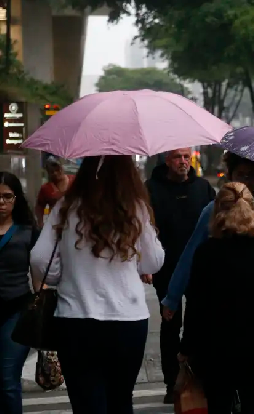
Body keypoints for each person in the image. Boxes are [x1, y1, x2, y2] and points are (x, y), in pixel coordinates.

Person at [30, 156, 165, 414]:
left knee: (86, 403)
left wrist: (63, 276)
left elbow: (39, 258)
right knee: (121, 399)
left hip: (76, 317)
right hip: (128, 319)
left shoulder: (66, 207)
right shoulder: (136, 208)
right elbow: (153, 262)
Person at [180, 182, 254, 413]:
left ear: (218, 211)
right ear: (253, 210)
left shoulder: (207, 253)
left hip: (216, 350)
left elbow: (195, 306)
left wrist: (186, 347)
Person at [160, 154, 254, 319]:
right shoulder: (214, 210)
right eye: (240, 175)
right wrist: (173, 296)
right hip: (222, 298)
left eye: (250, 175)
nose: (245, 181)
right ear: (230, 176)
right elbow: (191, 252)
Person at [145, 147, 216, 402]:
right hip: (166, 267)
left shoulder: (203, 188)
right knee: (169, 325)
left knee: (199, 325)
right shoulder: (151, 188)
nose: (183, 162)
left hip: (200, 269)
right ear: (167, 160)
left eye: (186, 157)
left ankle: (198, 378)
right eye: (178, 157)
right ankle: (171, 382)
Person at [0, 172, 40, 414]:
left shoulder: (27, 231)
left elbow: (38, 276)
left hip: (16, 312)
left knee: (6, 380)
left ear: (16, 199)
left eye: (7, 196)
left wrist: (44, 310)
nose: (1, 202)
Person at [35, 158, 75, 226]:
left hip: (73, 220)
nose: (55, 173)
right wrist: (40, 221)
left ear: (62, 168)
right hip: (54, 223)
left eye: (57, 170)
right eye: (51, 171)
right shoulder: (45, 188)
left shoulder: (74, 181)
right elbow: (40, 206)